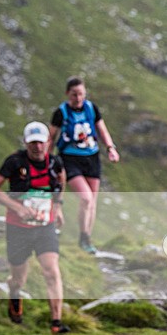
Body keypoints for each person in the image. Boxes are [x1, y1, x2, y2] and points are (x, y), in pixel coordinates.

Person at [0, 122, 70, 334]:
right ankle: (14, 293)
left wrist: (58, 207)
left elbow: (61, 182)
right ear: (26, 143)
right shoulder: (14, 162)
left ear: (48, 142)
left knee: (51, 271)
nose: (37, 147)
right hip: (18, 228)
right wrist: (16, 207)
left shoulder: (55, 163)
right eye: (32, 143)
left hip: (44, 227)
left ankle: (56, 322)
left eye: (40, 142)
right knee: (19, 277)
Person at [48, 76, 120, 254]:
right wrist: (47, 159)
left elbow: (102, 130)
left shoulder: (91, 108)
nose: (78, 98)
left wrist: (110, 148)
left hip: (91, 158)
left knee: (92, 202)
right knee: (86, 197)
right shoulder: (61, 113)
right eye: (74, 94)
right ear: (67, 94)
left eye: (81, 94)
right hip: (69, 159)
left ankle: (86, 239)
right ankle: (83, 237)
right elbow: (51, 137)